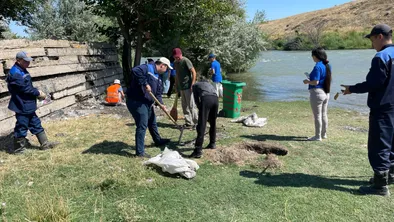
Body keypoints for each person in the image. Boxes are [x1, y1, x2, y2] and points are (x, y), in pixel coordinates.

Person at [341, 24, 394, 196]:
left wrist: (351, 89)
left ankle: (380, 185)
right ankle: (390, 176)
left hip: (383, 108)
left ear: (379, 36)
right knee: (392, 142)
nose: (372, 45)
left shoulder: (381, 56)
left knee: (379, 144)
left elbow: (373, 83)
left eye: (372, 40)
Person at [6, 51, 58, 154]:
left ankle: (45, 144)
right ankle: (19, 149)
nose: (28, 63)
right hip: (21, 104)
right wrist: (38, 93)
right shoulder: (15, 73)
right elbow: (25, 89)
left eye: (28, 61)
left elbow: (27, 87)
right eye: (25, 61)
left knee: (35, 123)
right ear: (18, 60)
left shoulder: (22, 69)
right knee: (22, 126)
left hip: (28, 104)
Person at [126, 57, 172, 158]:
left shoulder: (159, 78)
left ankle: (158, 140)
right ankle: (140, 152)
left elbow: (158, 94)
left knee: (152, 122)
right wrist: (145, 83)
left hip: (147, 103)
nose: (167, 71)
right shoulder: (147, 68)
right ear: (162, 65)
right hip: (136, 101)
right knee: (142, 125)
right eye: (167, 68)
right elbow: (135, 71)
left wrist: (161, 104)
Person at [303, 47, 332, 141]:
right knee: (324, 114)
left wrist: (307, 82)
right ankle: (324, 134)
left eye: (312, 56)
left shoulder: (317, 66)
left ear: (315, 56)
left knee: (317, 116)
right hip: (326, 92)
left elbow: (315, 82)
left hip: (317, 93)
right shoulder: (327, 65)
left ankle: (317, 136)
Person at [189, 77, 219, 158]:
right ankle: (212, 143)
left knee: (202, 124)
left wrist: (201, 109)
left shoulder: (195, 85)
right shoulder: (210, 85)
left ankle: (198, 150)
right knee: (213, 122)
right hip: (216, 99)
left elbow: (196, 99)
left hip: (206, 98)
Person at [172, 48, 198, 128]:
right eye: (175, 57)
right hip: (181, 87)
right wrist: (176, 86)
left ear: (181, 54)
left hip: (188, 86)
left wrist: (192, 84)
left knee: (191, 105)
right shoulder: (175, 63)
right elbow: (176, 75)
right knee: (184, 105)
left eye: (178, 56)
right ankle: (188, 122)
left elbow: (193, 72)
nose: (177, 58)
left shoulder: (186, 61)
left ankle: (196, 122)